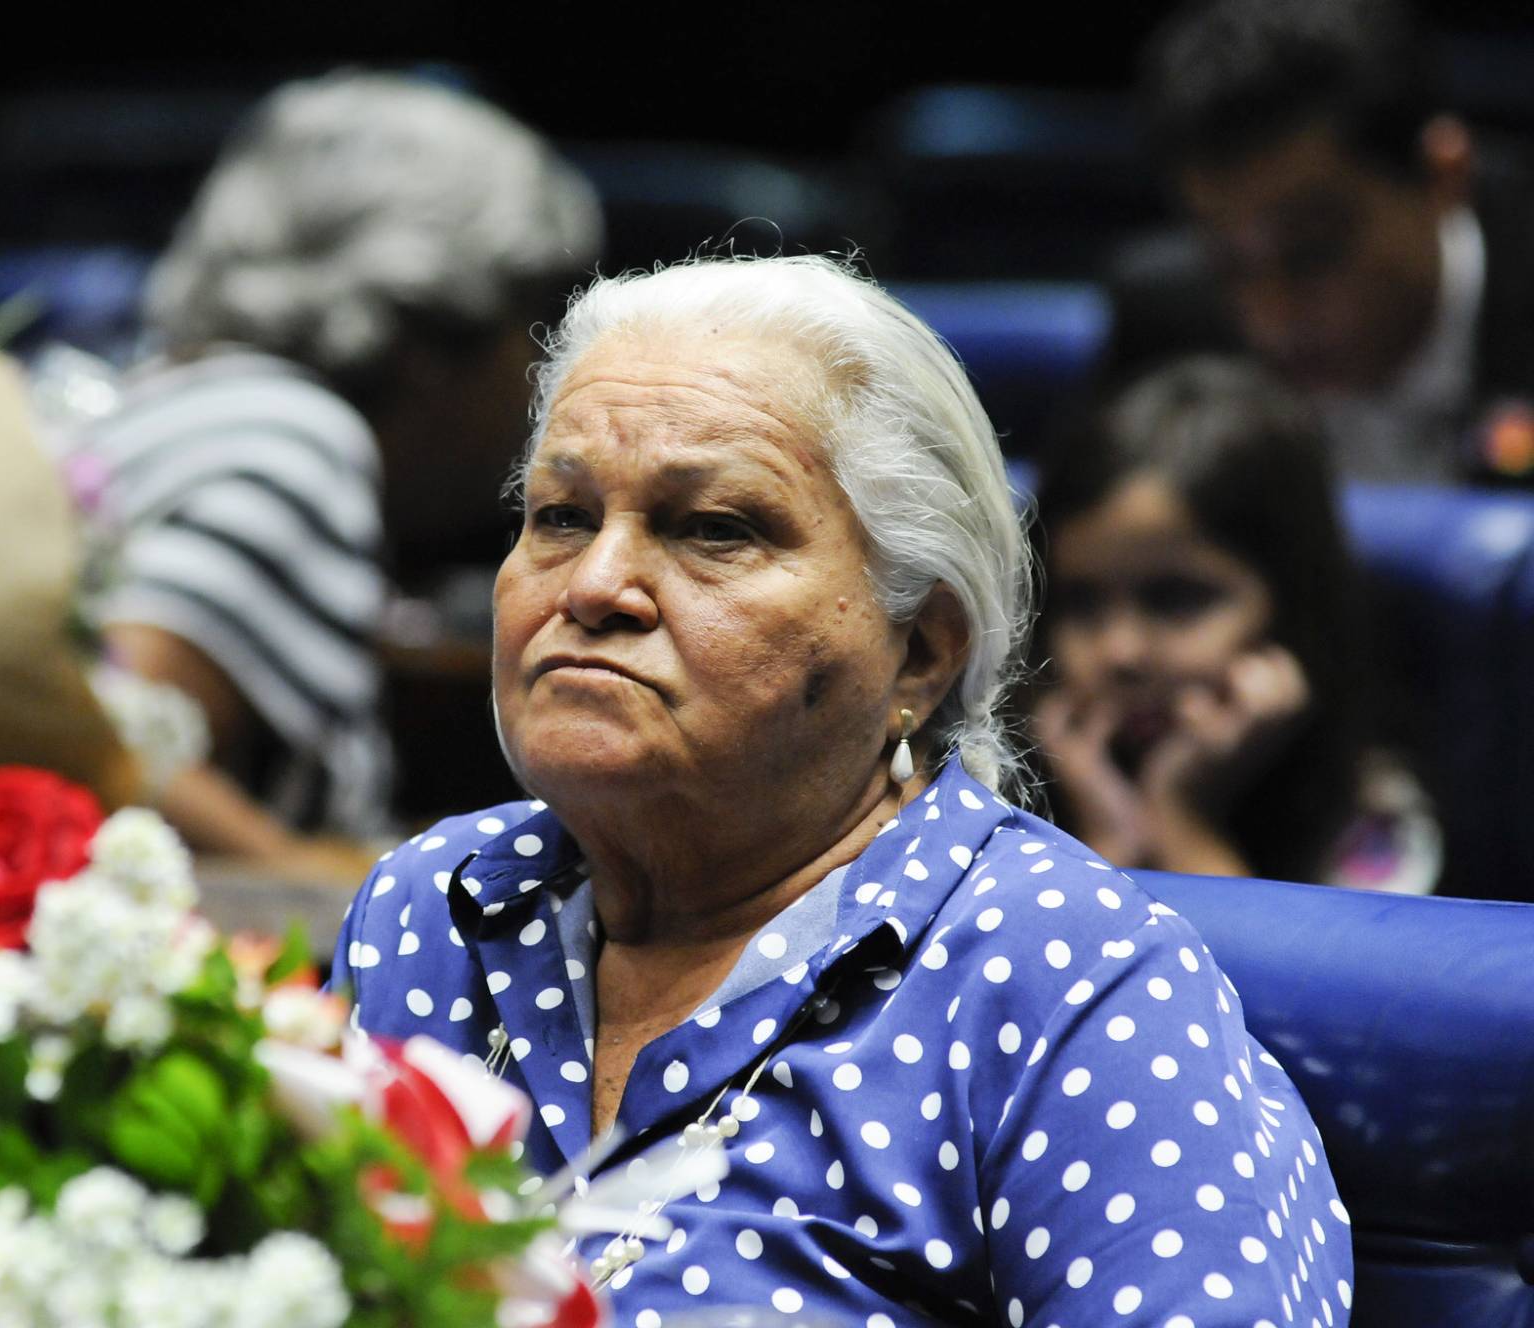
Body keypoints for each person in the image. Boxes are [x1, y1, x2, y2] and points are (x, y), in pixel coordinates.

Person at [331, 256, 1352, 1324]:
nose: (591, 585)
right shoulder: (428, 909)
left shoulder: (1064, 981)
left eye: (713, 527)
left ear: (917, 651)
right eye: (560, 515)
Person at [71, 72, 601, 867]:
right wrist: (332, 887)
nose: (545, 370)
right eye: (537, 323)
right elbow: (94, 737)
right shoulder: (290, 443)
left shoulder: (162, 388)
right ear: (437, 341)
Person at [1035, 357, 1439, 892]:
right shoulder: (1003, 798)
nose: (1119, 651)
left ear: (1291, 607)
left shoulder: (1373, 818)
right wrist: (1109, 842)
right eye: (1082, 604)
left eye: (1176, 600)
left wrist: (1179, 817)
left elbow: (1279, 980)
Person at [1105, 0, 1534, 485]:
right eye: (1228, 262)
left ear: (1442, 176)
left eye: (1312, 252)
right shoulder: (1170, 331)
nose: (1272, 319)